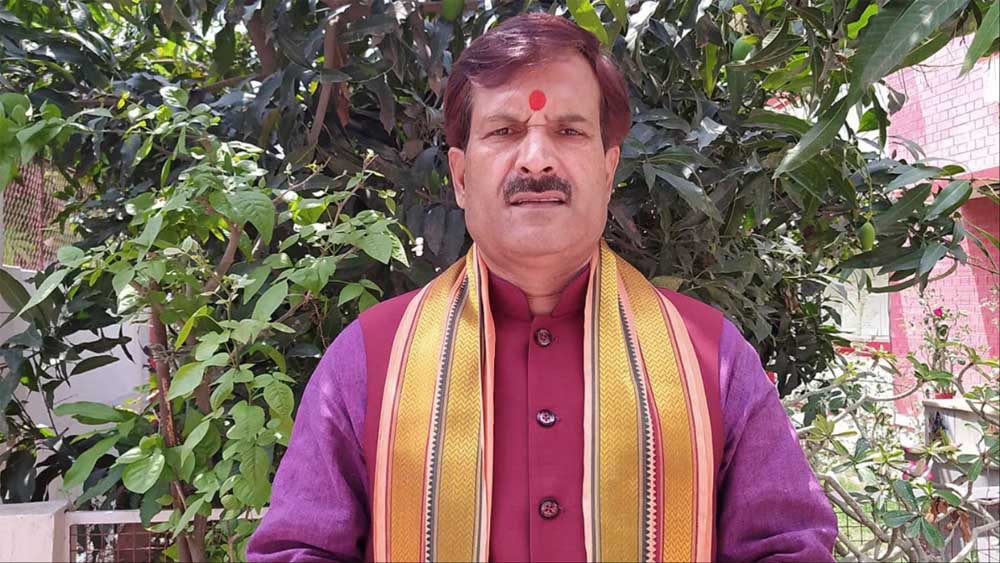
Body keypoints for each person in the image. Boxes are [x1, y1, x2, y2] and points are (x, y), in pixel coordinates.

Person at [246, 13, 837, 563]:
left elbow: (788, 548)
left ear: (608, 170)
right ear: (460, 177)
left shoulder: (711, 358)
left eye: (569, 131)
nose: (535, 160)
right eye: (505, 130)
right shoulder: (370, 358)